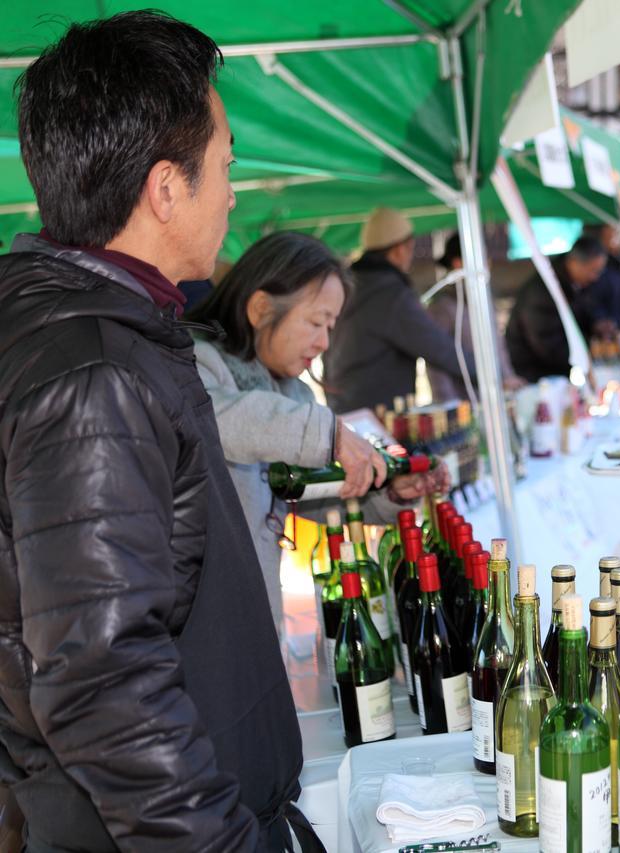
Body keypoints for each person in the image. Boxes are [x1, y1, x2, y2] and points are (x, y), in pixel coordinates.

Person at [0, 11, 309, 849]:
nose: (234, 191)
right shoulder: (92, 370)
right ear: (167, 188)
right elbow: (102, 679)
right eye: (226, 166)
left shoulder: (119, 332)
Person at [187, 232, 440, 633]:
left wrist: (387, 492)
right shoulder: (197, 365)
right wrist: (330, 434)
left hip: (259, 611)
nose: (324, 342)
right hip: (201, 619)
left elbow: (307, 493)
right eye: (315, 322)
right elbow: (221, 421)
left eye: (331, 326)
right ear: (260, 308)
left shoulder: (292, 391)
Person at [323, 206, 476, 413]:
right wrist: (491, 375)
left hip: (341, 407)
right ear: (398, 250)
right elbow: (438, 347)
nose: (410, 257)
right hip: (376, 414)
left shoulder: (348, 284)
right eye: (410, 248)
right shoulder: (389, 294)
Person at [425, 233, 523, 400]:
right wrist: (450, 406)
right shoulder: (442, 308)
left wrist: (508, 377)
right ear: (458, 263)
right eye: (481, 258)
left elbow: (498, 346)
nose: (487, 264)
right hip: (465, 404)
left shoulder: (485, 300)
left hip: (493, 400)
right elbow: (436, 363)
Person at [505, 235, 609, 382]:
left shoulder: (577, 284)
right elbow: (547, 345)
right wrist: (584, 359)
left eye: (599, 271)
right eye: (592, 270)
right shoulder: (542, 291)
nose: (595, 277)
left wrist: (597, 324)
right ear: (574, 263)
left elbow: (586, 311)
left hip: (559, 368)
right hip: (537, 375)